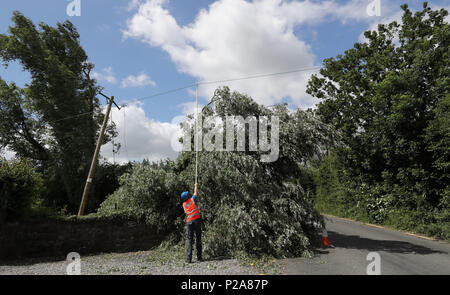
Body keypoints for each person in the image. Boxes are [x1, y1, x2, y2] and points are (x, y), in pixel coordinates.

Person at [181, 183, 202, 263]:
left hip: (189, 222)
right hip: (196, 220)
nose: (189, 194)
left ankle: (188, 259)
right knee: (198, 239)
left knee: (190, 240)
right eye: (187, 194)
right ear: (187, 197)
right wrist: (196, 186)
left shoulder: (184, 204)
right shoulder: (192, 200)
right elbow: (195, 192)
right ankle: (199, 257)